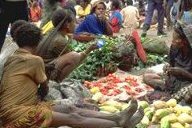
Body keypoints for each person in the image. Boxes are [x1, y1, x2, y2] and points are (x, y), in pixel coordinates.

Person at [0, 22, 144, 128]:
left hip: (21, 107)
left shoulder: (13, 58)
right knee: (73, 118)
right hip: (17, 115)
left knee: (70, 109)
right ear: (38, 41)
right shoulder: (33, 60)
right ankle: (118, 123)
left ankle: (118, 116)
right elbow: (44, 90)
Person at [38, 9, 98, 83]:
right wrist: (89, 49)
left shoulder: (52, 33)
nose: (75, 24)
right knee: (74, 56)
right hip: (45, 75)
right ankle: (57, 82)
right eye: (74, 22)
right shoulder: (60, 41)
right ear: (67, 24)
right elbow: (76, 60)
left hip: (42, 71)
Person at [142, 21, 192, 103]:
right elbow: (170, 65)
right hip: (173, 82)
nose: (172, 41)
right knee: (147, 76)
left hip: (187, 84)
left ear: (184, 42)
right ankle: (172, 95)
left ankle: (174, 98)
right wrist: (168, 68)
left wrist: (183, 73)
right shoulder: (174, 48)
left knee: (190, 92)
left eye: (174, 39)